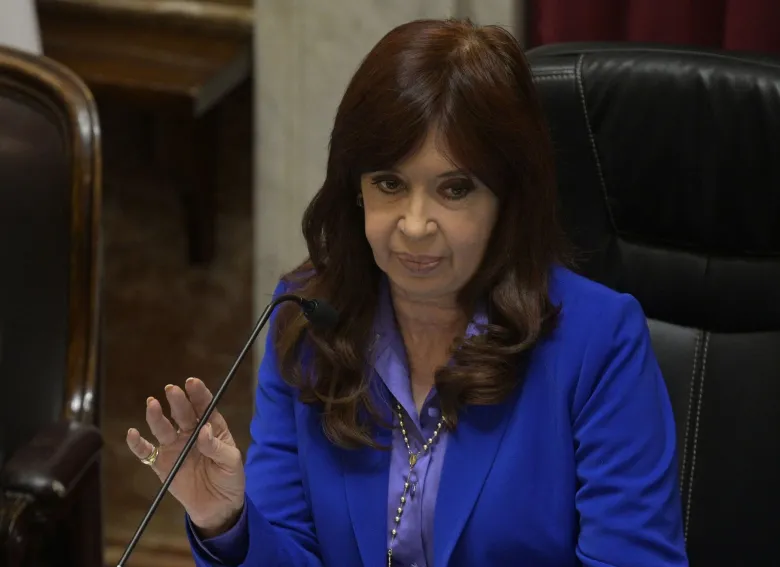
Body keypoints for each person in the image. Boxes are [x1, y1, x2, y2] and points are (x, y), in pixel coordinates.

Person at [126, 18, 688, 567]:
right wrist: (225, 521)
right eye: (389, 184)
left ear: (508, 198)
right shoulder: (308, 320)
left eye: (454, 189)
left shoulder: (600, 342)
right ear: (356, 191)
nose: (415, 226)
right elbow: (293, 545)